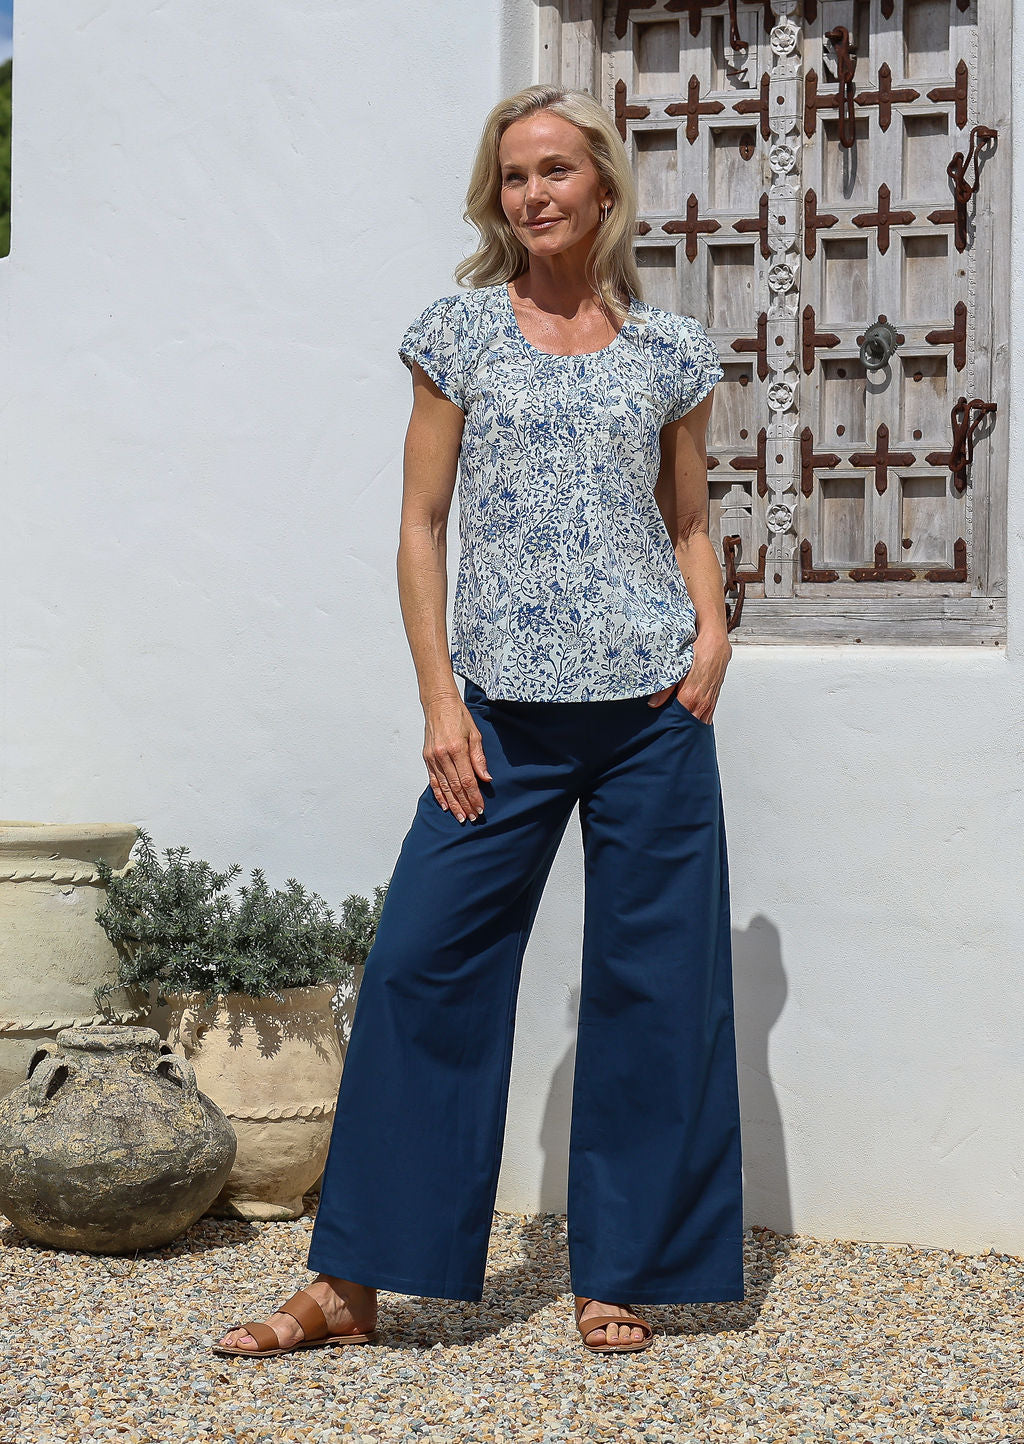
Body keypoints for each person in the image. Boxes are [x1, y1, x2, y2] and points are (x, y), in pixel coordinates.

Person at [213, 83, 742, 1361]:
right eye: (513, 175)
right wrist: (439, 698)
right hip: (500, 712)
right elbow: (420, 523)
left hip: (652, 712)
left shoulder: (669, 353)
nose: (533, 193)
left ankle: (624, 1271)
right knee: (420, 968)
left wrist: (713, 631)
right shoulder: (458, 333)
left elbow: (686, 520)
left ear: (603, 188)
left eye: (556, 170)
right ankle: (353, 1279)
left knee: (658, 987)